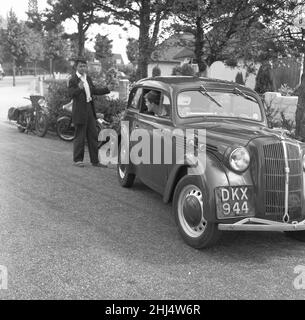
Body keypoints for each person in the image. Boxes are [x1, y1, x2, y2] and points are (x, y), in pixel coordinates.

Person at [68, 57, 115, 168]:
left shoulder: (87, 78)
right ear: (76, 67)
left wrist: (107, 89)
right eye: (80, 66)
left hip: (89, 109)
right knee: (80, 136)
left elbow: (94, 91)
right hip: (80, 111)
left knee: (93, 135)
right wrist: (79, 88)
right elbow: (71, 94)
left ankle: (95, 161)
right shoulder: (73, 79)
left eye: (84, 66)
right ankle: (78, 160)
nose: (83, 68)